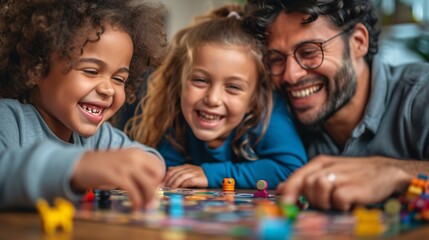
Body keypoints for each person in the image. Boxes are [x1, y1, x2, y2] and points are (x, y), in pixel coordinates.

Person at [244, 0, 429, 211]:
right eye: (275, 59)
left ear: (358, 42)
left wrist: (393, 172)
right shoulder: (277, 116)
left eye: (309, 52)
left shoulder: (421, 94)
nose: (290, 75)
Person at [0, 0, 167, 209]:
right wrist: (79, 167)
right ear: (37, 66)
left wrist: (144, 166)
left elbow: (150, 160)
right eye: (91, 71)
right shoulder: (7, 119)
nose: (108, 89)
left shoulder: (100, 138)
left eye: (119, 79)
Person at [126, 5, 307, 190]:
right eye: (200, 80)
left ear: (254, 99)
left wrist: (211, 174)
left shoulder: (269, 116)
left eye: (233, 87)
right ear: (179, 85)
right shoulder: (177, 120)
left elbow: (292, 170)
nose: (213, 99)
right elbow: (168, 173)